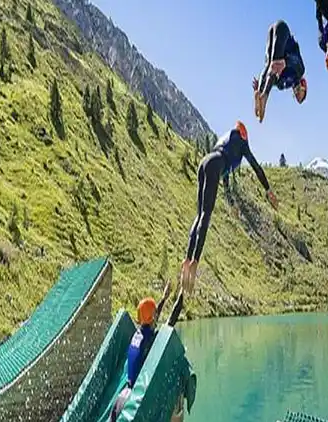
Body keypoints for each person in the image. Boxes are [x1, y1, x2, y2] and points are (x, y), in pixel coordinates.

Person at [180, 121, 278, 293]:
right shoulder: (242, 144)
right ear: (244, 136)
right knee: (206, 214)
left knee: (199, 214)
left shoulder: (226, 143)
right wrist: (268, 189)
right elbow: (256, 167)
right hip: (215, 164)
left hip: (204, 163)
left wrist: (232, 204)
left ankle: (187, 259)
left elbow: (225, 179)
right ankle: (195, 261)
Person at [111, 279, 185, 421]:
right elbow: (172, 319)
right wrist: (183, 291)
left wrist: (164, 298)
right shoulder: (152, 340)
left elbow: (151, 317)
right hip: (136, 399)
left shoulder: (137, 335)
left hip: (122, 397)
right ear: (153, 317)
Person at [253, 20, 308, 123]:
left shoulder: (282, 85)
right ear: (303, 87)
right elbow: (296, 61)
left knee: (270, 66)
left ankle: (260, 93)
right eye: (299, 93)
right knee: (276, 64)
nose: (296, 93)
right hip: (283, 31)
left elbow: (271, 78)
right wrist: (286, 62)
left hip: (271, 35)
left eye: (296, 95)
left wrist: (259, 85)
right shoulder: (300, 71)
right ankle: (264, 96)